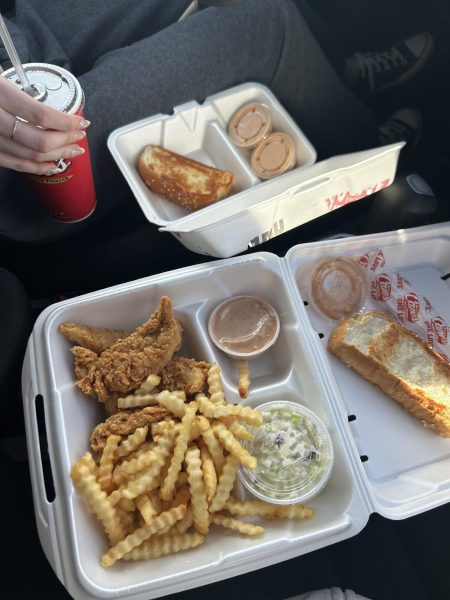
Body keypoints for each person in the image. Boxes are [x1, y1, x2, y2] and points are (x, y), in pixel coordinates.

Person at [0, 0, 426, 246]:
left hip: (19, 21)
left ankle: (330, 77)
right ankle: (367, 148)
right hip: (23, 160)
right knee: (265, 28)